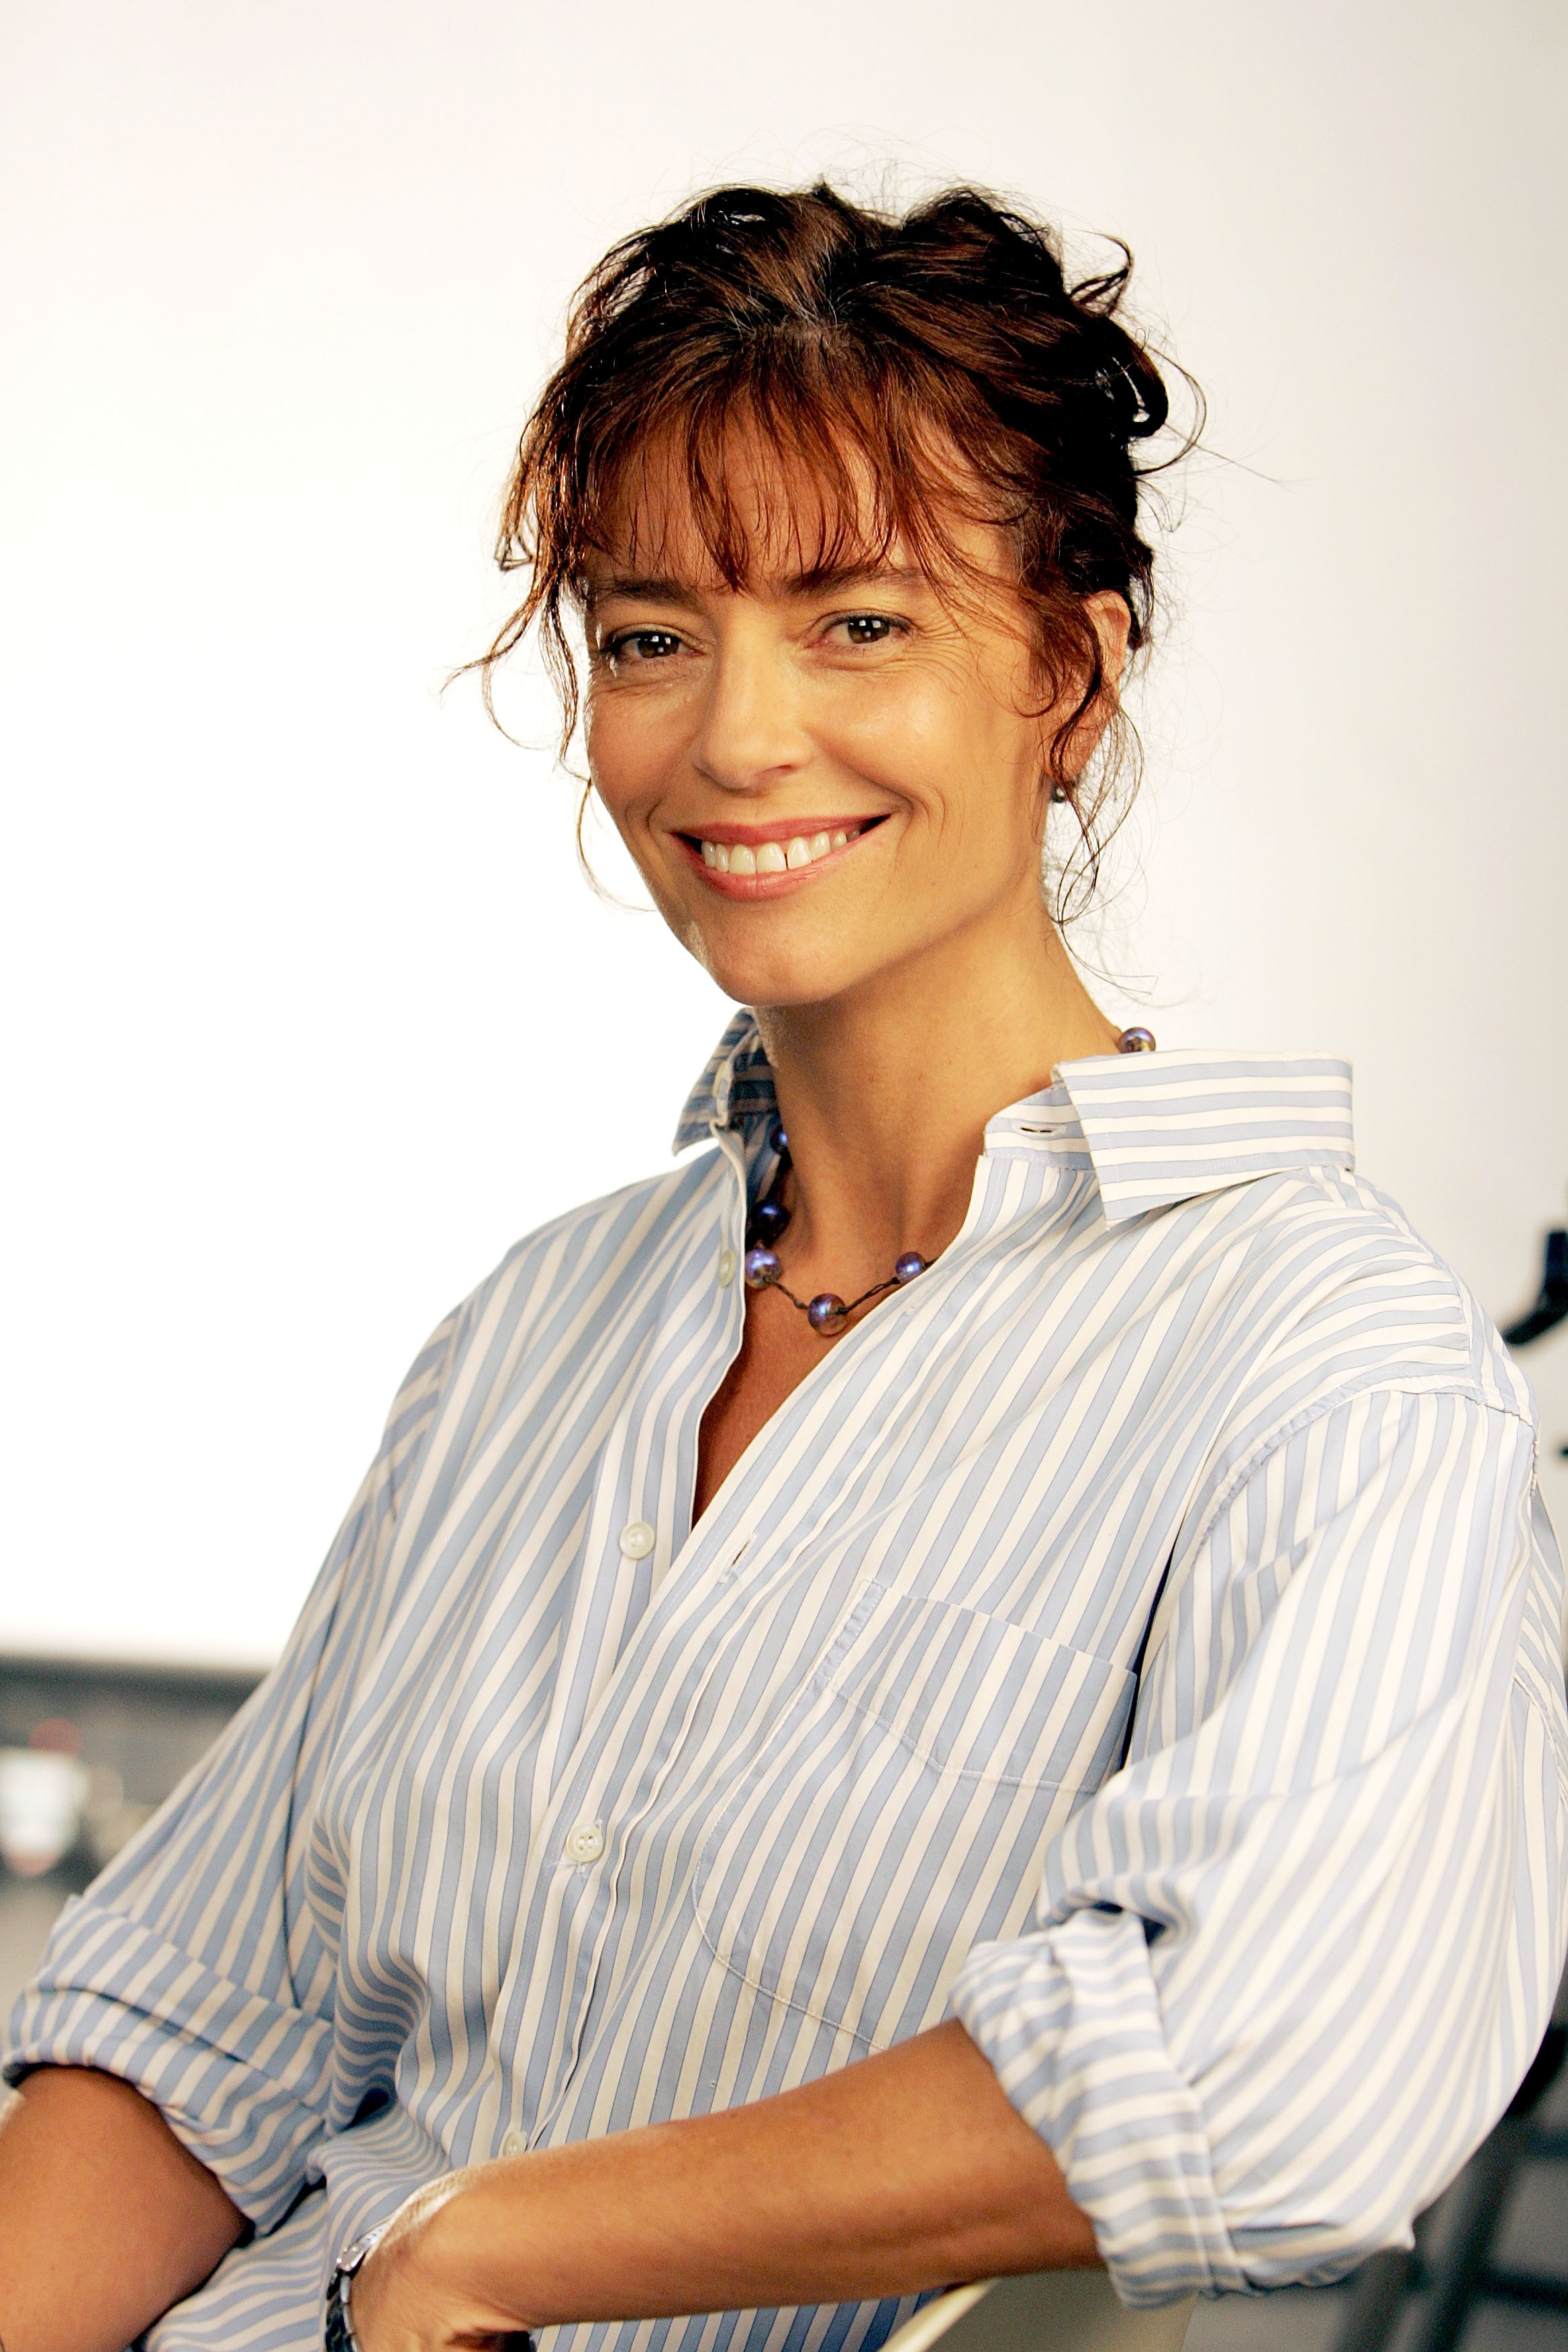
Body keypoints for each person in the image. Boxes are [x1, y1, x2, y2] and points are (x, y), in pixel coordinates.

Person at [1, 181, 1564, 2352]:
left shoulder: (1322, 1366)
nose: (734, 739)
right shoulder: (534, 1329)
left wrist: (473, 2254)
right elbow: (193, 2032)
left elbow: (1264, 2073)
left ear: (1073, 670)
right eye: (650, 633)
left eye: (859, 622)